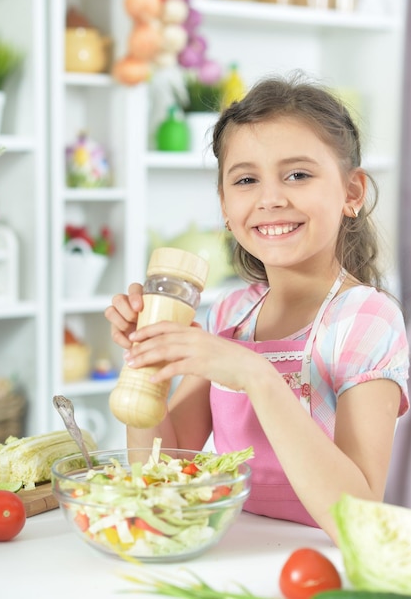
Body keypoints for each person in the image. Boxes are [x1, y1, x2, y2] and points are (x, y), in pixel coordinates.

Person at [104, 73, 410, 543]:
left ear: (352, 193)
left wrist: (256, 375)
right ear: (225, 206)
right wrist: (147, 365)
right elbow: (160, 469)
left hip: (324, 560)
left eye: (298, 174)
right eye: (246, 179)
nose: (270, 198)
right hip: (235, 546)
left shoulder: (366, 321)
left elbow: (362, 521)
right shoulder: (230, 315)